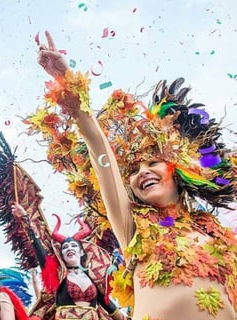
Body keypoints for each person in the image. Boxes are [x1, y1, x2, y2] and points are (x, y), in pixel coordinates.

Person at [26, 30, 237, 319]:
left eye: (152, 163)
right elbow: (100, 152)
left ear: (176, 169)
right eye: (134, 171)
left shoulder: (217, 233)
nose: (143, 173)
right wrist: (68, 84)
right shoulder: (133, 225)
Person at [11, 202, 127, 320]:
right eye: (65, 247)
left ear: (81, 252)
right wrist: (25, 217)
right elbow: (38, 247)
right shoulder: (58, 275)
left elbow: (106, 302)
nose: (69, 248)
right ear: (62, 255)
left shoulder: (94, 277)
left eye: (73, 246)